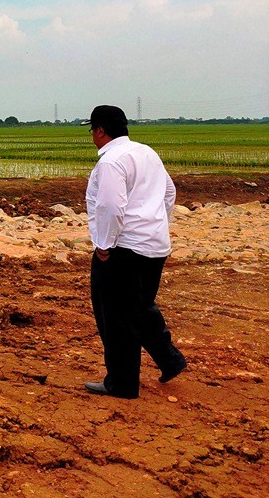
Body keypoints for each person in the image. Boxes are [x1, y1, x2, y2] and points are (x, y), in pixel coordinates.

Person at [82, 105, 187, 398]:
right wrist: (155, 222)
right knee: (139, 307)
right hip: (154, 245)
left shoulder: (111, 162)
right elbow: (169, 192)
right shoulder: (146, 152)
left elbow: (111, 207)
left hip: (123, 249)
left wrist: (104, 245)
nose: (92, 135)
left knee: (115, 318)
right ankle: (169, 359)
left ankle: (122, 383)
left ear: (100, 130)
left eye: (92, 129)